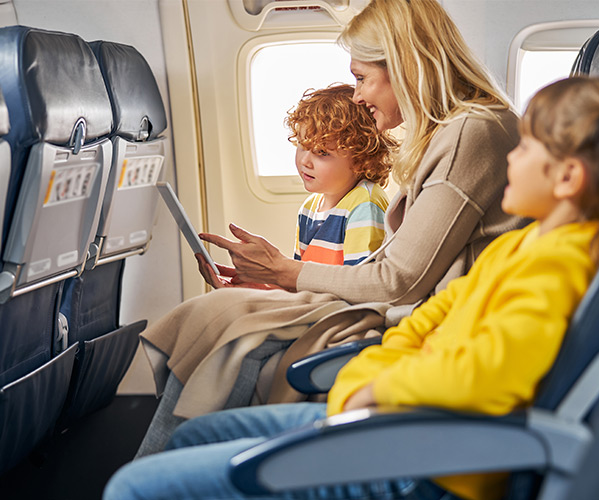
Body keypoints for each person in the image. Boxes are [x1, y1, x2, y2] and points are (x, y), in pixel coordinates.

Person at [105, 75, 599, 500]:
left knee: (132, 488)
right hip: (399, 418)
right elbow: (421, 327)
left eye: (526, 148)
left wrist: (377, 391)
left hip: (426, 459)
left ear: (567, 179)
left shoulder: (561, 265)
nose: (510, 156)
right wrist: (367, 382)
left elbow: (489, 375)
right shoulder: (515, 248)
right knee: (191, 439)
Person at [135, 0, 523, 456]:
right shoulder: (452, 134)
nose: (357, 95)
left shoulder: (470, 133)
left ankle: (171, 466)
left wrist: (286, 273)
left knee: (232, 326)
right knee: (222, 308)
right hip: (405, 309)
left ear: (405, 65)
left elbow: (398, 281)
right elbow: (399, 266)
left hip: (420, 325)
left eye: (362, 78)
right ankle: (178, 458)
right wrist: (271, 277)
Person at [287, 84, 395, 267]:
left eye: (321, 152)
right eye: (302, 146)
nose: (305, 161)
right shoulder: (309, 208)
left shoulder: (364, 204)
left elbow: (358, 281)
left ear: (361, 159)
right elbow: (297, 275)